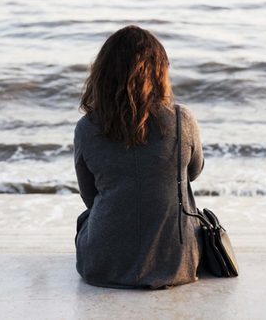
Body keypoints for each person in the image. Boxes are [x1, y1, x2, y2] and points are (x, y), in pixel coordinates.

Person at [73, 25, 205, 289]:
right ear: (159, 72)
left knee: (86, 219)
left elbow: (89, 196)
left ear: (103, 74)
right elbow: (193, 172)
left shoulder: (87, 127)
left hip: (102, 265)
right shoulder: (182, 119)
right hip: (175, 264)